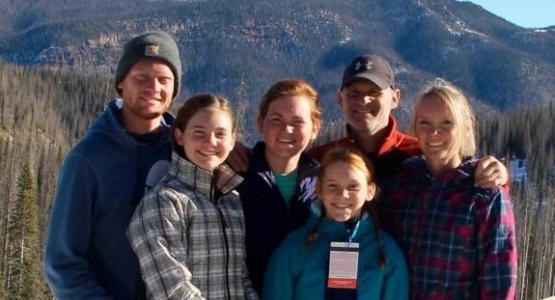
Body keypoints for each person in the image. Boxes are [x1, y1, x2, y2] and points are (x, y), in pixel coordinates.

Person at [43, 31, 182, 299]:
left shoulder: (186, 151)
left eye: (164, 80)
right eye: (141, 78)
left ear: (174, 89)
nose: (154, 88)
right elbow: (62, 263)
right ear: (121, 83)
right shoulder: (88, 160)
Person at [380, 79, 517, 299]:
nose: (435, 132)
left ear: (467, 127)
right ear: (414, 127)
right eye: (425, 123)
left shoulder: (484, 195)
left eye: (446, 123)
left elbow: (499, 282)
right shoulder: (399, 189)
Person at [128, 94, 258, 300]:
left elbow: (240, 278)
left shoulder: (231, 200)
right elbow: (172, 290)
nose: (210, 142)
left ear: (233, 141)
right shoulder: (164, 202)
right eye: (199, 133)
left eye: (220, 134)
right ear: (180, 136)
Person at [310, 54, 508, 186]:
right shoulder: (323, 158)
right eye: (354, 93)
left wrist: (499, 176)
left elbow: (464, 175)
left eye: (374, 92)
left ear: (395, 98)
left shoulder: (421, 152)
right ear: (339, 99)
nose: (363, 100)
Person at [263, 147, 408, 300]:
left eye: (353, 187)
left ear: (370, 191)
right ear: (319, 189)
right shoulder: (294, 247)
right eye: (332, 186)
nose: (342, 195)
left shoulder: (385, 250)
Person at [237, 79, 321, 293]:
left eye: (297, 122)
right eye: (276, 119)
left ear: (315, 129)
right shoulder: (235, 179)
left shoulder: (324, 185)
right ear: (260, 123)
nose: (287, 129)